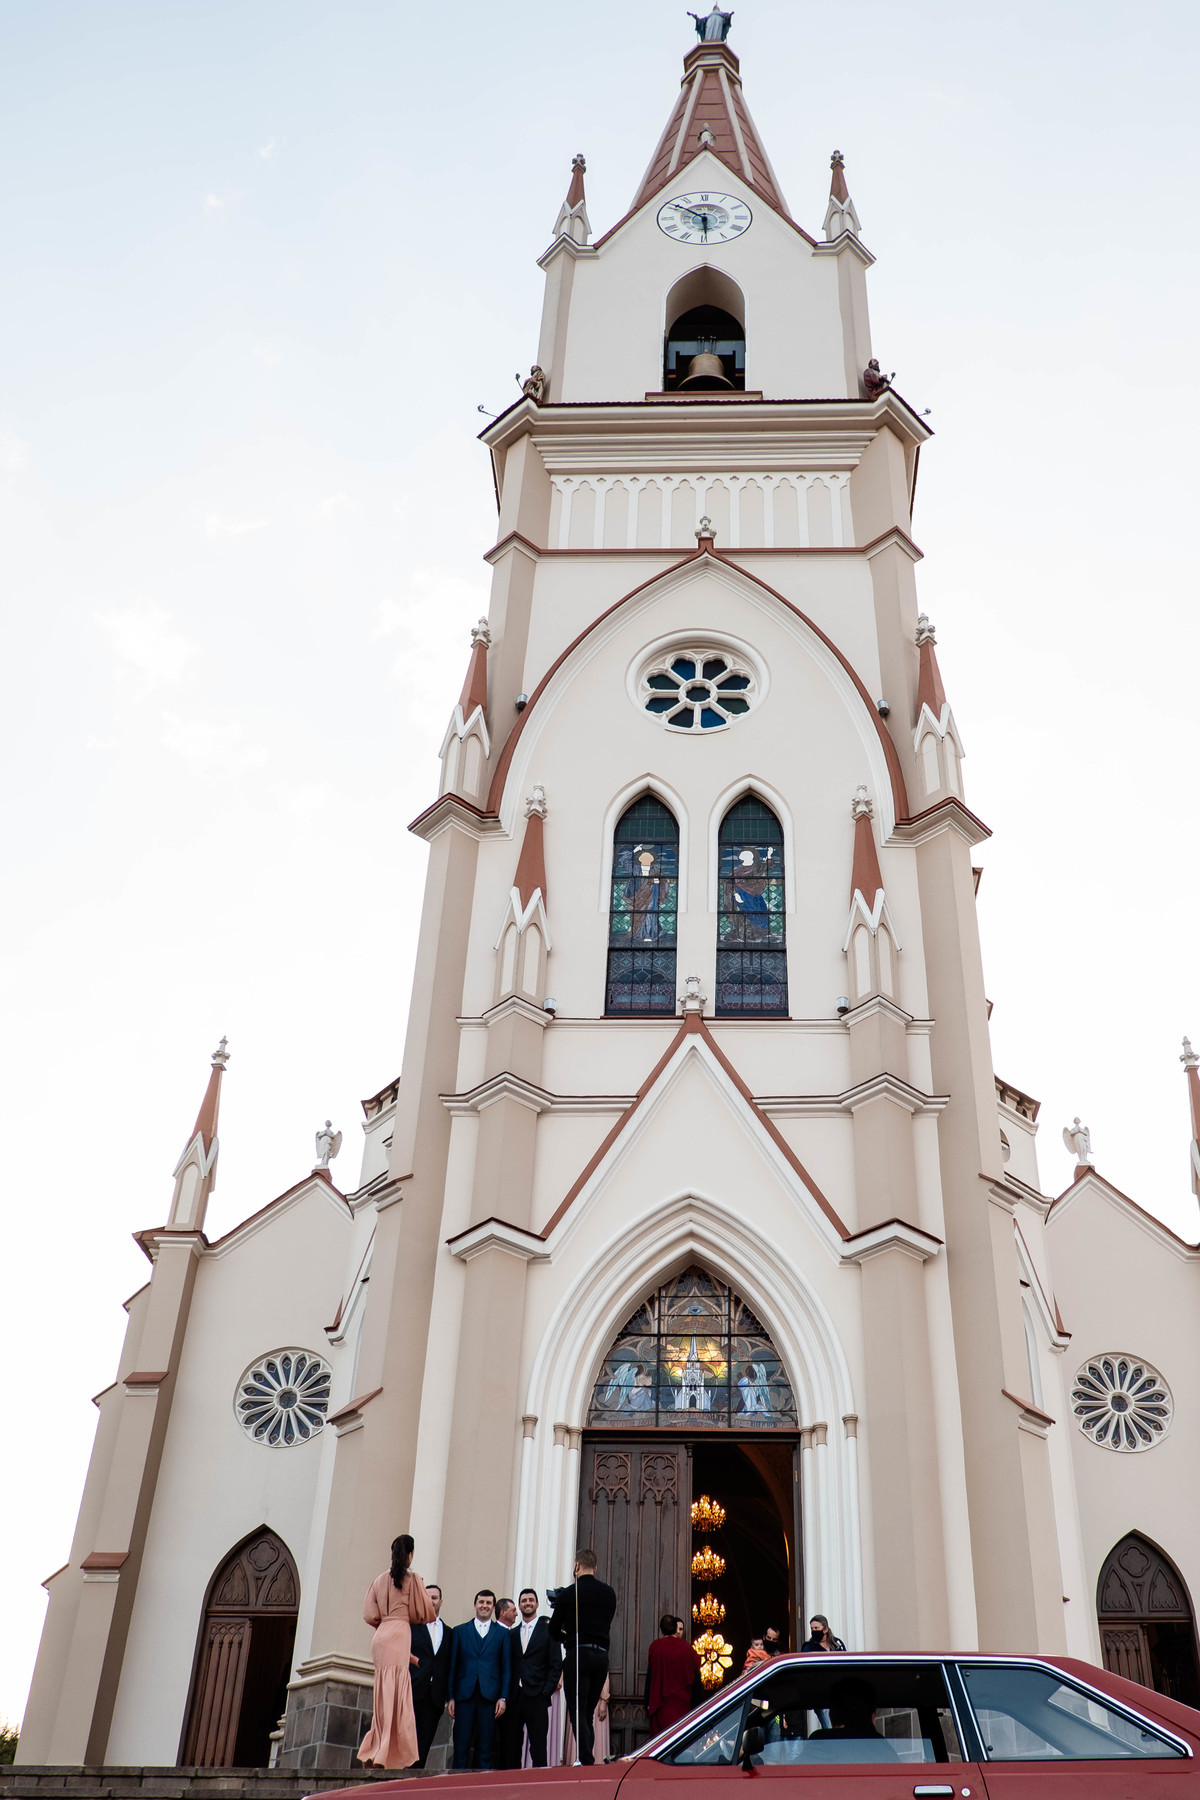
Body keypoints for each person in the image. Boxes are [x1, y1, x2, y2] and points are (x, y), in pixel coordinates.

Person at [357, 1534, 437, 1769]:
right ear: (410, 1555)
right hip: (400, 1633)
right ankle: (388, 1753)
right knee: (397, 1696)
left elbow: (369, 1614)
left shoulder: (379, 1580)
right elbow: (426, 1613)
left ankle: (377, 1749)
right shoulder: (413, 1579)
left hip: (381, 1637)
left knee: (383, 1696)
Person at [548, 1548, 616, 1766]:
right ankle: (586, 1755)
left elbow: (553, 1630)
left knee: (578, 1709)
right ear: (595, 1567)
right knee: (587, 1710)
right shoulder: (609, 1593)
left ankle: (586, 1758)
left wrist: (566, 1638)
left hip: (579, 1654)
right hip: (601, 1657)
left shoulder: (569, 1593)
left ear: (576, 1566)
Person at [448, 1589, 511, 1771]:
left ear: (493, 1608)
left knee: (485, 1747)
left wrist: (503, 1697)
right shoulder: (460, 1631)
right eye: (481, 1602)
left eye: (488, 1603)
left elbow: (506, 1668)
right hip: (464, 1695)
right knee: (461, 1745)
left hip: (489, 1697)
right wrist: (450, 1696)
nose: (484, 1606)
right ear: (475, 1604)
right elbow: (453, 1665)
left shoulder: (502, 1634)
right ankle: (456, 1786)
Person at [501, 1588, 563, 1768]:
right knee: (512, 1745)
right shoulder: (511, 1634)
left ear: (536, 1604)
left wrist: (545, 1693)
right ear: (519, 1606)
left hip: (537, 1696)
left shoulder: (549, 1631)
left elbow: (555, 1664)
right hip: (515, 1697)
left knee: (538, 1747)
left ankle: (539, 1786)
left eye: (531, 1600)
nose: (527, 1603)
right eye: (524, 1600)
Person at [410, 1582, 451, 1768]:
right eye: (427, 1597)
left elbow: (450, 1665)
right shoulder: (411, 1627)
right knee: (408, 1742)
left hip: (435, 1697)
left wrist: (450, 1697)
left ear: (441, 1602)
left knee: (425, 1743)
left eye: (434, 1598)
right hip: (412, 1692)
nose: (431, 1601)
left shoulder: (450, 1633)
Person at [646, 1613, 701, 1731]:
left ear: (661, 1630)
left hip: (661, 1705)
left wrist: (647, 1701)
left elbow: (650, 1675)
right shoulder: (687, 1648)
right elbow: (696, 1675)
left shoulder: (655, 1647)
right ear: (676, 1628)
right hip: (682, 1705)